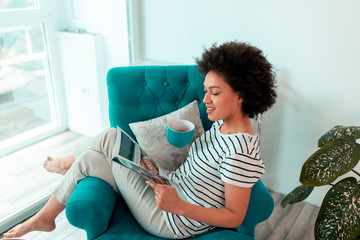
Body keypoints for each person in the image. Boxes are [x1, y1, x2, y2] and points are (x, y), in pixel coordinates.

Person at [4, 41, 277, 239]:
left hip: (172, 220)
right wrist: (158, 171)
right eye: (205, 90)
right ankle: (48, 214)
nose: (205, 100)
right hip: (170, 187)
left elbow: (234, 216)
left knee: (110, 137)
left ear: (242, 94)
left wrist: (178, 205)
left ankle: (52, 196)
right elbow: (202, 174)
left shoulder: (241, 150)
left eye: (214, 93)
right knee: (89, 159)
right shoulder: (222, 125)